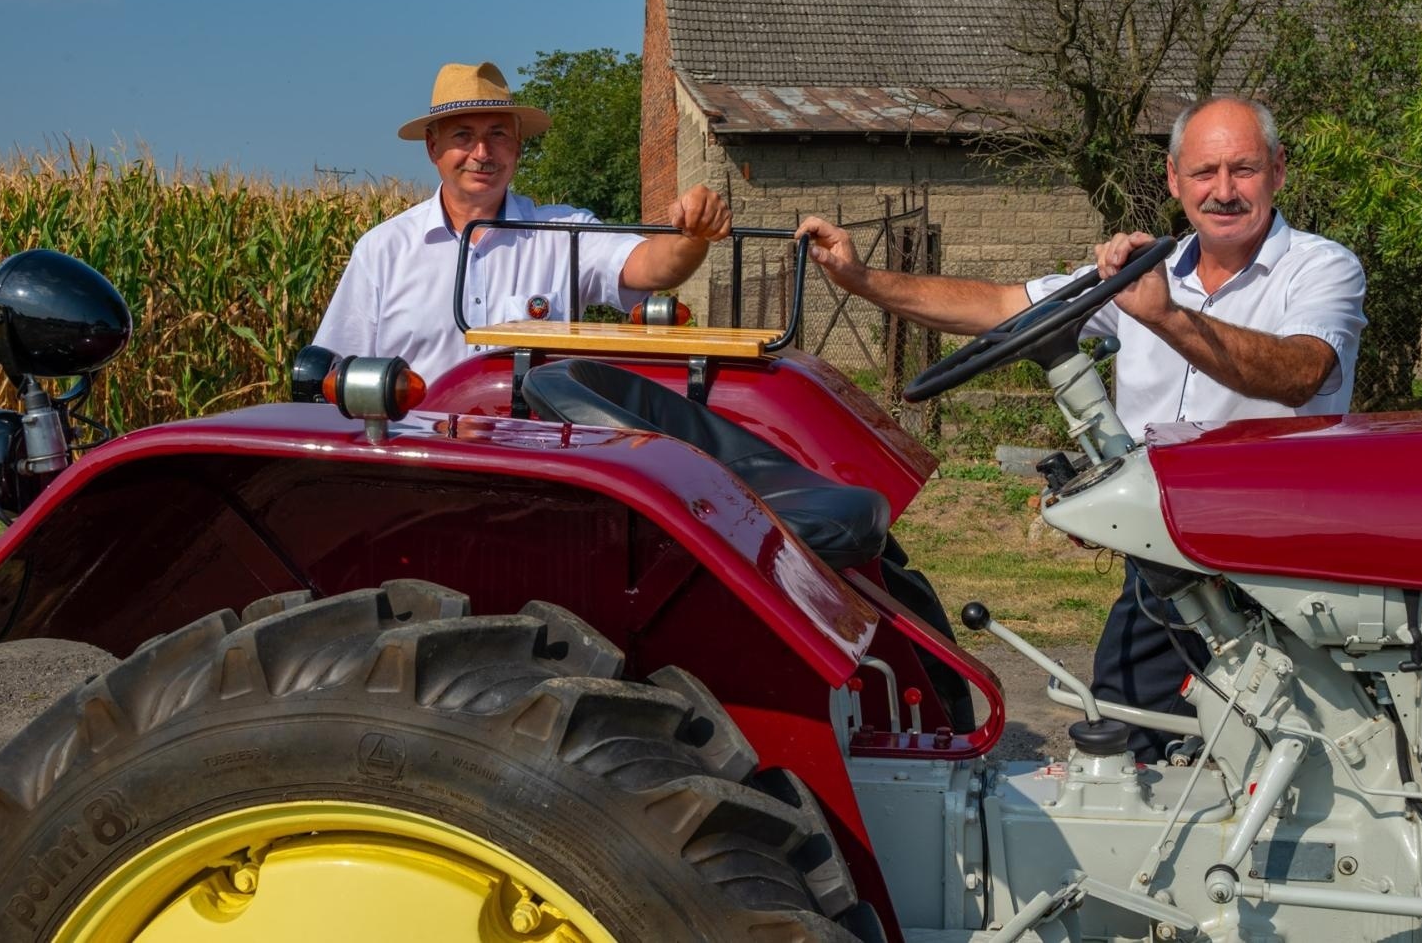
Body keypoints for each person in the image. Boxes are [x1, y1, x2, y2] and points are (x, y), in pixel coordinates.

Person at [796, 96, 1367, 761]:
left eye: (1243, 170)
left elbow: (1300, 372)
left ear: (1278, 172)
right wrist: (863, 280)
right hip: (1163, 563)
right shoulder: (1145, 275)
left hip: (1275, 559)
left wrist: (1167, 319)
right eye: (1204, 172)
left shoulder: (1321, 268)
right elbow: (1004, 306)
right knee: (1125, 737)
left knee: (1289, 741)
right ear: (1173, 179)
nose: (1224, 191)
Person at [315, 61, 731, 379]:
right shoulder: (383, 250)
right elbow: (336, 369)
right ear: (433, 147)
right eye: (462, 135)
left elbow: (651, 267)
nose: (482, 152)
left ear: (517, 147)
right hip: (421, 465)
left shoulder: (563, 233)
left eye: (497, 134)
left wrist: (692, 233)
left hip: (534, 466)